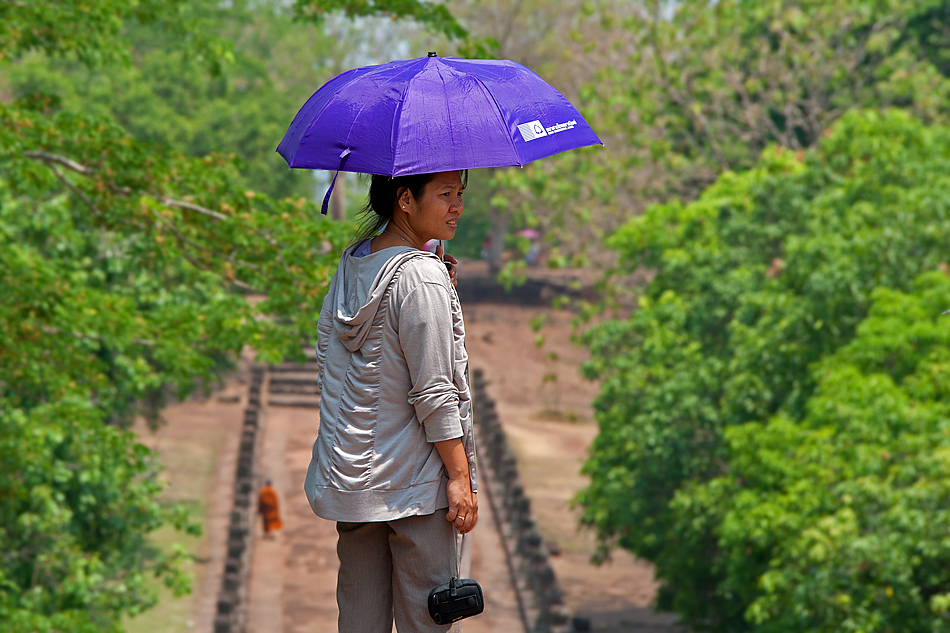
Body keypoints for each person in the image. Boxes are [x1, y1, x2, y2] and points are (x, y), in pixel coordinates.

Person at [305, 170, 478, 633]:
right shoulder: (422, 279)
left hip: (352, 482)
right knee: (429, 622)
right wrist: (460, 478)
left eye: (460, 194)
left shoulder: (354, 263)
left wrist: (440, 290)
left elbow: (333, 355)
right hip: (415, 488)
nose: (458, 206)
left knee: (359, 621)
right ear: (405, 199)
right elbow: (435, 393)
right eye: (445, 195)